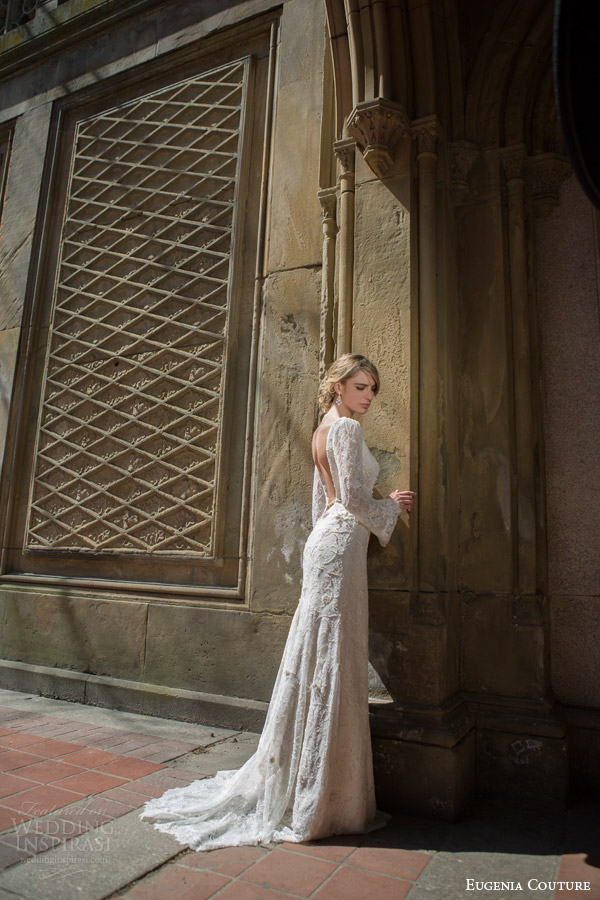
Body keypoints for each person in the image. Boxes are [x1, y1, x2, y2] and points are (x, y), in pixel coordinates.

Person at [140, 353, 415, 851]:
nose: (368, 396)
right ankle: (320, 800)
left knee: (320, 655)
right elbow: (351, 501)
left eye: (373, 388)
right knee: (331, 657)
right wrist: (390, 507)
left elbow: (322, 504)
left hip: (325, 545)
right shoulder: (347, 431)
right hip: (340, 545)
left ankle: (313, 788)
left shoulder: (320, 431)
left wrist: (332, 541)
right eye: (360, 386)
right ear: (337, 386)